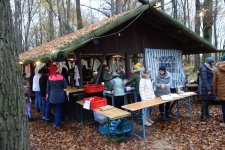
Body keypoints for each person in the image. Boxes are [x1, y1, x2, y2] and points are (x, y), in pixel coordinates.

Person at [47, 65, 67, 129]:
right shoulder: (62, 77)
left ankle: (57, 121)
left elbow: (47, 88)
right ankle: (57, 124)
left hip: (52, 96)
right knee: (58, 109)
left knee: (55, 109)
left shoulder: (49, 78)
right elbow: (65, 86)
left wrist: (47, 96)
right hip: (60, 96)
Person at [199, 57, 215, 121]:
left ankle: (207, 114)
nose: (214, 63)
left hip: (208, 87)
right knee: (204, 102)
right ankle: (202, 116)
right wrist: (208, 90)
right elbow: (204, 80)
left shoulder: (208, 68)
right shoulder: (204, 68)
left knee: (207, 101)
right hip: (205, 88)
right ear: (209, 63)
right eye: (213, 62)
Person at [213, 54, 225, 127]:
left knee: (224, 106)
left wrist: (215, 93)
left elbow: (214, 82)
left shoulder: (217, 69)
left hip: (221, 92)